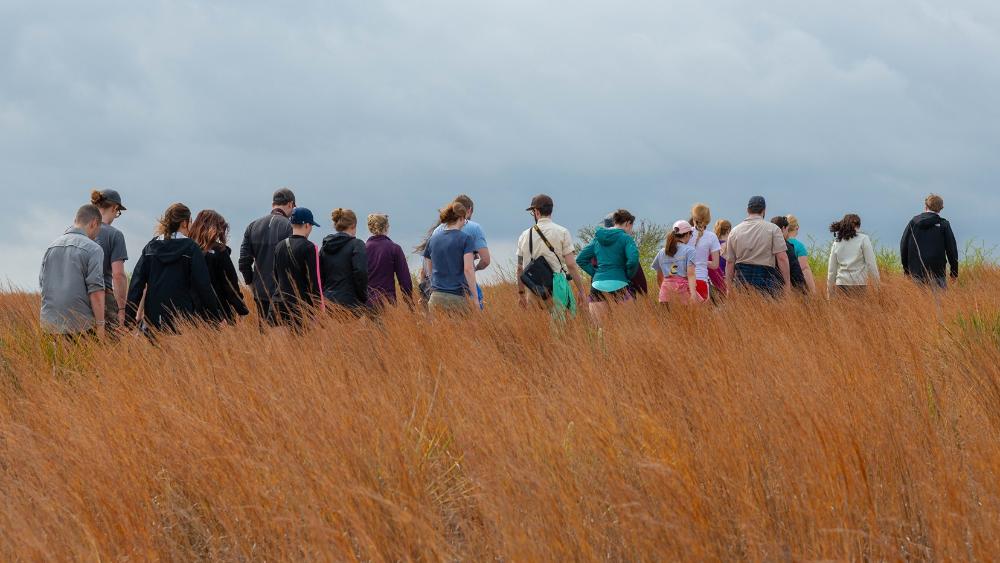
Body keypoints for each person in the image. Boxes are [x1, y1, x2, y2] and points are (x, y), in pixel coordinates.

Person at [126, 204, 222, 332]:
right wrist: (215, 317)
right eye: (190, 221)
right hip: (183, 318)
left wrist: (128, 319)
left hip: (154, 317)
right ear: (184, 223)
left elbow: (136, 284)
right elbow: (203, 285)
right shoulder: (191, 248)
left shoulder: (151, 247)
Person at [39, 205, 106, 339]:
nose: (96, 235)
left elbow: (42, 284)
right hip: (80, 327)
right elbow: (96, 292)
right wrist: (100, 325)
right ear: (94, 223)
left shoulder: (51, 247)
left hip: (49, 325)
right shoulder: (94, 249)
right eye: (98, 229)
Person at [515, 194, 587, 311]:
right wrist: (581, 291)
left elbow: (519, 268)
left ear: (537, 212)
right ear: (550, 210)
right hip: (557, 289)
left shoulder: (524, 235)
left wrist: (521, 294)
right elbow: (571, 265)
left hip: (533, 291)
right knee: (561, 327)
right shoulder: (562, 232)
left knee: (537, 328)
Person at [239, 188, 295, 325]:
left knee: (264, 334)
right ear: (290, 204)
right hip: (283, 292)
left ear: (273, 205)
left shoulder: (252, 226)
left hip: (260, 291)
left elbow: (244, 261)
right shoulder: (290, 227)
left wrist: (251, 283)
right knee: (284, 336)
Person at [425, 195, 489, 308]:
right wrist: (475, 298)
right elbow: (468, 269)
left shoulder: (433, 238)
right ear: (460, 218)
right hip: (457, 297)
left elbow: (428, 263)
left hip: (436, 297)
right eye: (464, 219)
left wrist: (432, 283)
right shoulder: (465, 239)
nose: (465, 222)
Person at [576, 209, 640, 319]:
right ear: (627, 223)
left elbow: (580, 259)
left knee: (599, 329)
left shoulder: (597, 238)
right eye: (631, 227)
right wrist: (628, 275)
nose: (631, 231)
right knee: (626, 327)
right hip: (620, 284)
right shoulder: (626, 238)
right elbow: (633, 260)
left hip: (597, 285)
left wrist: (595, 273)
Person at [189, 209, 250, 323]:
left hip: (190, 313)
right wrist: (240, 309)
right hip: (219, 313)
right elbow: (230, 284)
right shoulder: (220, 251)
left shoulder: (186, 250)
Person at [723, 196, 791, 297]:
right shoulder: (773, 229)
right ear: (764, 210)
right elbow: (782, 258)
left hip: (742, 279)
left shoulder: (735, 231)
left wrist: (728, 288)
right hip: (765, 278)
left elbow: (730, 262)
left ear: (747, 210)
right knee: (765, 311)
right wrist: (787, 284)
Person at [273, 207, 323, 326]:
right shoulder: (310, 248)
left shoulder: (279, 246)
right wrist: (318, 310)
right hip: (301, 308)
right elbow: (314, 282)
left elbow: (276, 276)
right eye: (311, 225)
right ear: (306, 225)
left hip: (278, 304)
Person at [900, 194, 959, 289]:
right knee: (938, 303)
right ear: (941, 208)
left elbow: (903, 245)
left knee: (916, 303)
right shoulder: (944, 224)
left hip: (916, 273)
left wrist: (906, 270)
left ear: (925, 206)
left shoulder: (913, 222)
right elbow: (951, 250)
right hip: (938, 274)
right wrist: (954, 273)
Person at [90, 189, 128, 331]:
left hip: (78, 296)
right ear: (114, 208)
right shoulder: (115, 235)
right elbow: (118, 275)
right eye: (118, 212)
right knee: (109, 348)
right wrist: (122, 309)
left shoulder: (75, 231)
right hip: (104, 297)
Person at [319, 208, 369, 312]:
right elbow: (361, 272)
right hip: (351, 304)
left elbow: (320, 274)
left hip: (328, 303)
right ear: (353, 225)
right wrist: (363, 297)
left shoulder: (325, 247)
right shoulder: (357, 244)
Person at [827, 214, 880, 299]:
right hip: (859, 286)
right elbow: (871, 265)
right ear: (858, 225)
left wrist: (830, 294)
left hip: (841, 286)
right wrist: (877, 288)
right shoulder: (864, 239)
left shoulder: (837, 242)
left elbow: (831, 270)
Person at [365, 213, 413, 306]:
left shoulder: (363, 249)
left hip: (368, 303)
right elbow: (404, 279)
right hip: (388, 302)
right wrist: (409, 303)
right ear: (386, 227)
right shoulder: (394, 248)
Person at [651, 220, 700, 305]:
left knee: (666, 318)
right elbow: (691, 274)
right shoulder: (690, 251)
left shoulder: (662, 251)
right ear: (688, 234)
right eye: (691, 234)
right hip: (682, 295)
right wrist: (693, 294)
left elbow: (659, 276)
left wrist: (663, 290)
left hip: (665, 295)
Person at [600, 213, 648, 297]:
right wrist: (644, 293)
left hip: (600, 290)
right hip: (623, 290)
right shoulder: (625, 243)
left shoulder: (598, 245)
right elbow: (636, 272)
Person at [688, 204, 721, 302]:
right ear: (708, 219)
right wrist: (702, 261)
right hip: (701, 281)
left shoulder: (684, 234)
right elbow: (715, 265)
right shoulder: (712, 237)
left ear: (693, 217)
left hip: (684, 281)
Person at [771, 216, 808, 294]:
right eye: (787, 230)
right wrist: (804, 292)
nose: (787, 233)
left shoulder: (765, 245)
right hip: (781, 289)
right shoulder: (787, 247)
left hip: (763, 288)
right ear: (783, 228)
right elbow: (796, 272)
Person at [785, 215, 817, 294]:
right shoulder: (799, 246)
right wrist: (813, 290)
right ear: (797, 227)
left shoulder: (779, 243)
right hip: (796, 286)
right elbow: (804, 269)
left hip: (782, 285)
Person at [710, 219, 732, 296]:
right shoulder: (729, 245)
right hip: (725, 279)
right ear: (729, 230)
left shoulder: (712, 245)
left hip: (712, 279)